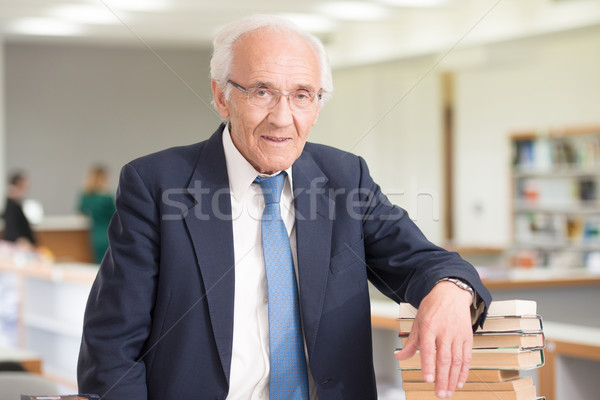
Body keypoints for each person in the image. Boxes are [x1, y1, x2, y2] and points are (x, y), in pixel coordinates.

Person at [78, 14, 492, 400]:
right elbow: (111, 347)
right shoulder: (155, 184)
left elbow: (421, 262)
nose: (283, 118)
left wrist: (451, 290)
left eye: (301, 96)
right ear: (222, 97)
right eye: (263, 92)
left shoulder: (346, 177)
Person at [78, 165, 116, 263]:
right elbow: (116, 217)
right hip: (108, 235)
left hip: (94, 236)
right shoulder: (107, 198)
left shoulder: (85, 197)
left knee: (98, 266)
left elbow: (80, 212)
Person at [2, 171, 36, 246]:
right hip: (16, 246)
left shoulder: (17, 204)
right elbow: (11, 227)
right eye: (24, 185)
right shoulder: (10, 205)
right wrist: (20, 239)